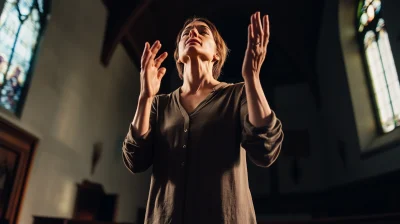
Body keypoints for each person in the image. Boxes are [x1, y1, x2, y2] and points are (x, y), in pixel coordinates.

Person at [122, 11, 284, 224]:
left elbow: (265, 150)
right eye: (186, 33)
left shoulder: (237, 94)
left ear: (217, 53)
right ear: (179, 55)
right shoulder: (159, 104)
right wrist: (145, 97)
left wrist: (252, 76)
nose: (193, 34)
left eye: (202, 32)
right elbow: (134, 160)